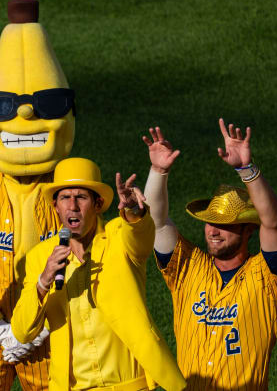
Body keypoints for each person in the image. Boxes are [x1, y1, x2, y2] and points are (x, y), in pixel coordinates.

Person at [11, 157, 186, 391]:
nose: (72, 206)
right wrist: (43, 282)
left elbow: (141, 237)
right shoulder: (40, 257)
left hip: (131, 386)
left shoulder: (119, 236)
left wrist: (134, 210)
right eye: (65, 198)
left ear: (97, 204)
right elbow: (22, 332)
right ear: (55, 207)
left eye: (81, 197)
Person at [142, 120, 277, 390]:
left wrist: (246, 170)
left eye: (225, 224)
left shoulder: (267, 277)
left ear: (248, 230)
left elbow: (275, 224)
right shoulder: (188, 267)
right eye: (210, 221)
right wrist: (158, 171)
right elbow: (156, 223)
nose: (213, 230)